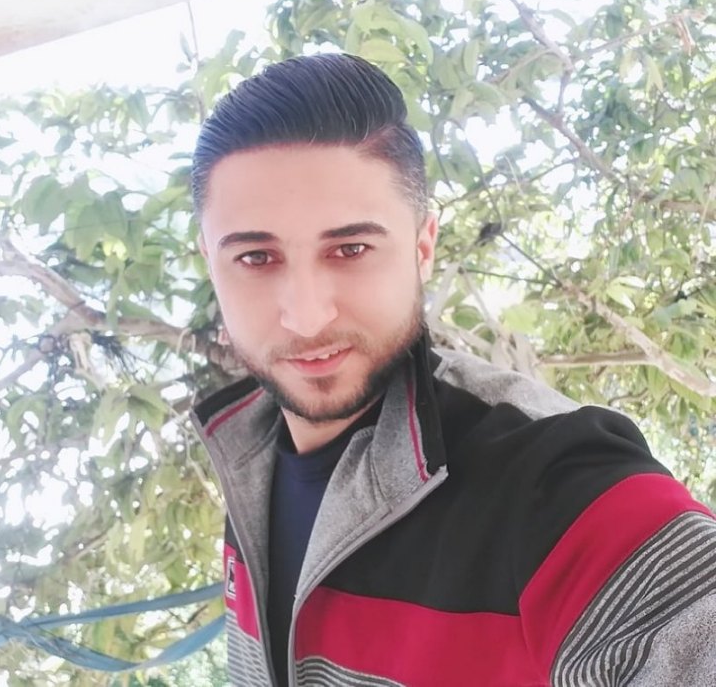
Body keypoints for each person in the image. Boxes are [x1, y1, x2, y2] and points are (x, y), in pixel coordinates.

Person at [190, 53, 716, 687]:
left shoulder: (548, 478)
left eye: (351, 249)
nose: (305, 317)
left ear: (422, 247)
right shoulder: (245, 448)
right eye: (255, 258)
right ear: (210, 261)